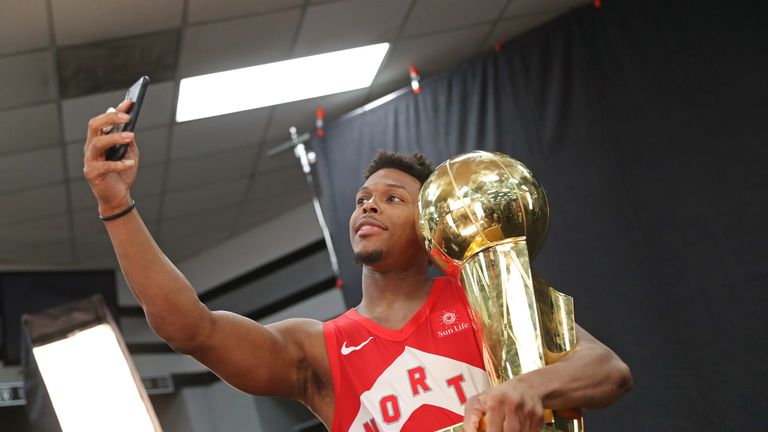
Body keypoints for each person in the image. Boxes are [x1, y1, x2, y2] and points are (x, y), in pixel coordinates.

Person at [83, 101, 632, 432]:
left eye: (394, 198)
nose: (368, 204)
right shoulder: (319, 349)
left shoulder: (481, 297)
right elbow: (190, 329)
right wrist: (114, 202)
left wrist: (534, 388)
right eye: (363, 197)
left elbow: (607, 370)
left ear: (432, 225)